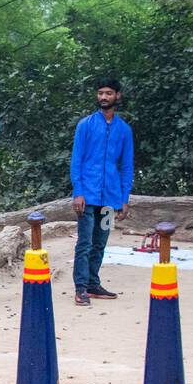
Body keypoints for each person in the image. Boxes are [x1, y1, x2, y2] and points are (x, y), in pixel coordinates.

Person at [70, 79, 134, 306]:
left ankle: (93, 283)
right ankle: (80, 288)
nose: (104, 97)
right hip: (87, 196)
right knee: (85, 242)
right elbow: (76, 161)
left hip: (110, 198)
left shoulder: (124, 130)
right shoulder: (85, 125)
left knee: (101, 241)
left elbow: (126, 166)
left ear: (117, 96)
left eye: (108, 93)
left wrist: (124, 198)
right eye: (100, 93)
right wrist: (78, 192)